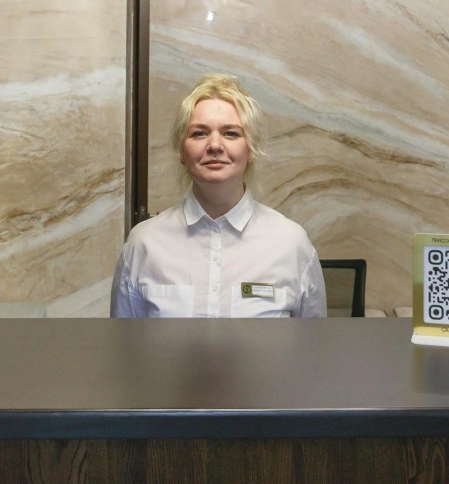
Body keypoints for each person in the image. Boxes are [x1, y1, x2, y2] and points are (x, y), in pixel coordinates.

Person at [110, 74, 327, 318]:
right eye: (199, 133)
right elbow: (126, 340)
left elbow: (314, 340)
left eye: (231, 133)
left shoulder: (291, 244)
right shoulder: (143, 244)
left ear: (251, 149)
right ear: (181, 150)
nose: (214, 145)